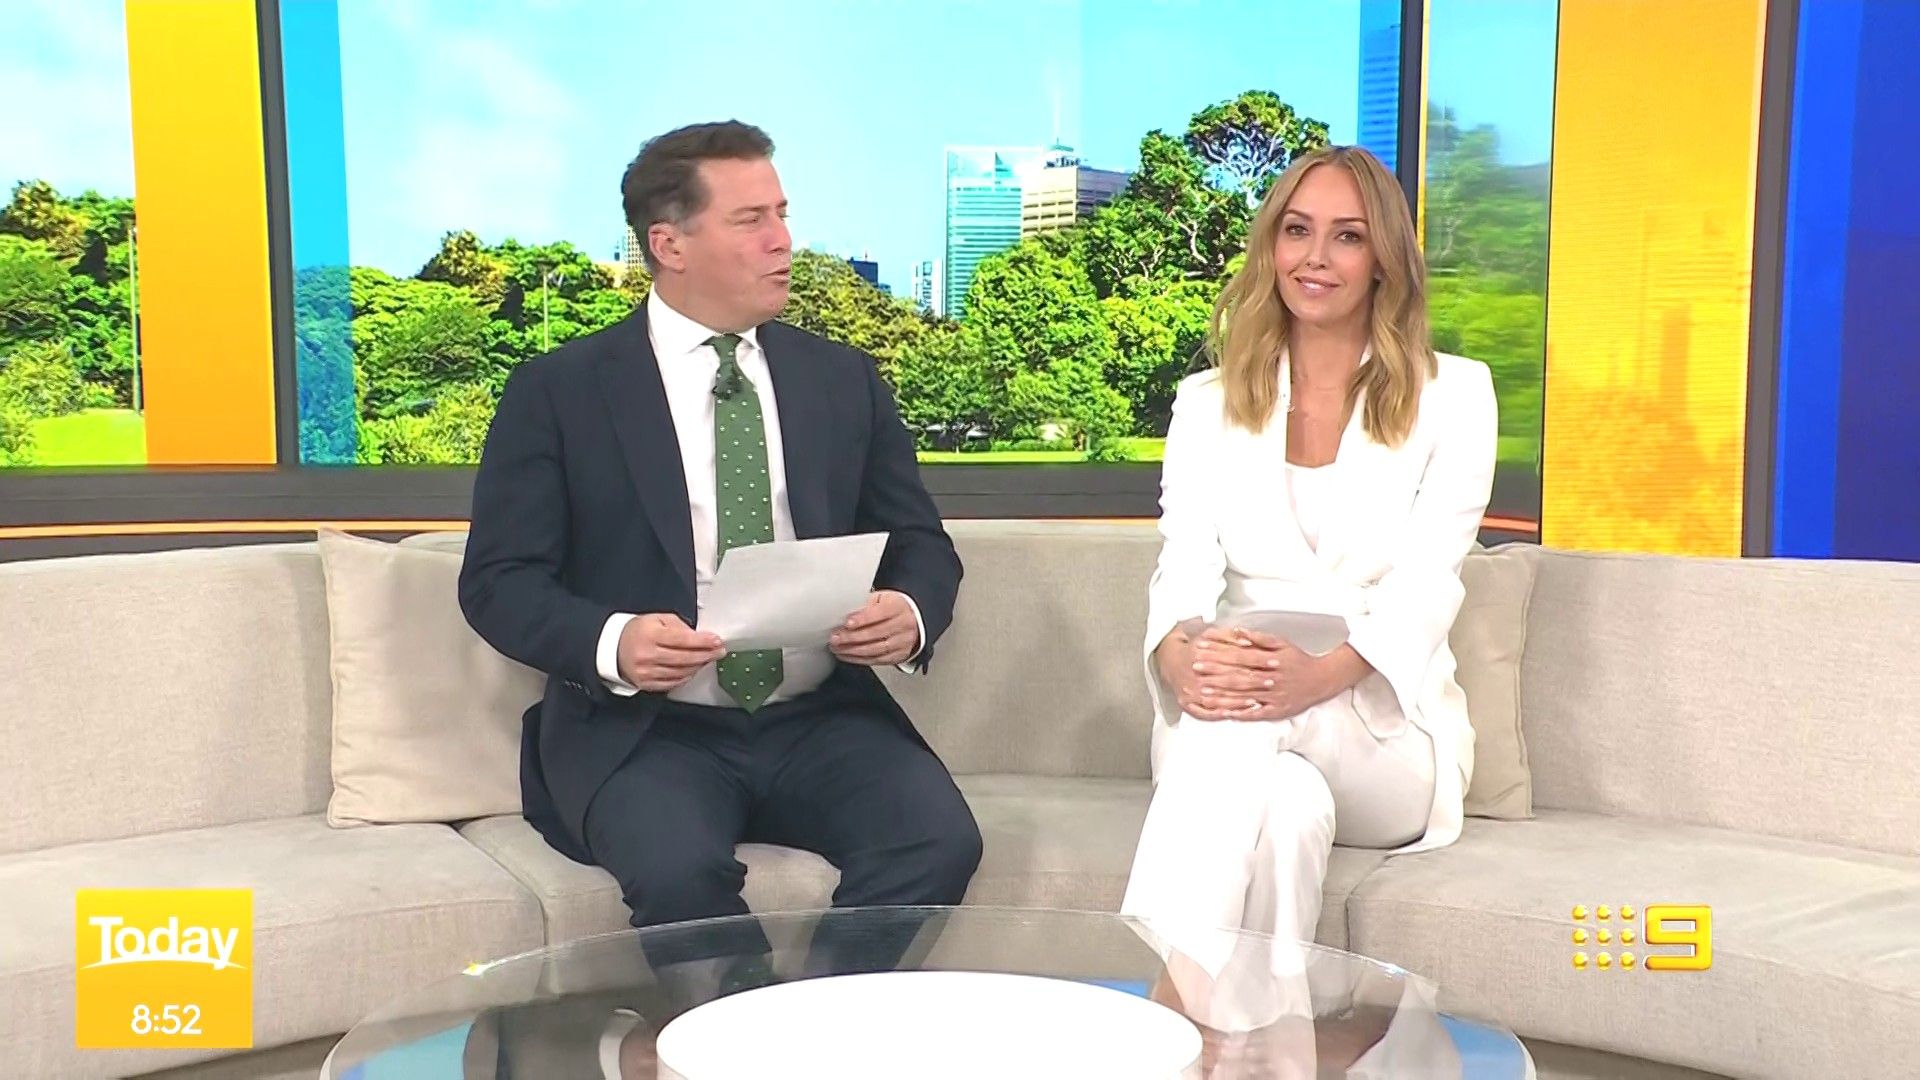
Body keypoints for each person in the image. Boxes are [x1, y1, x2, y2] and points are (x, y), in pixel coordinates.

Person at [457, 120, 982, 978]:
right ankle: (733, 1041)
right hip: (648, 730)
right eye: (750, 220)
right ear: (669, 244)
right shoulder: (559, 391)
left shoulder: (841, 378)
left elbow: (920, 542)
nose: (783, 241)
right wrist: (615, 640)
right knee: (677, 871)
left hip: (820, 717)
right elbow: (499, 582)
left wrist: (910, 612)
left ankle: (811, 1034)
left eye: (782, 214)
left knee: (938, 840)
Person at [1119, 145, 1498, 1006]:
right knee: (1283, 811)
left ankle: (1172, 999)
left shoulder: (1455, 396)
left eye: (1347, 236)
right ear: (1271, 246)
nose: (1315, 257)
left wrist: (1315, 677)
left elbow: (1429, 582)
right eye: (1297, 231)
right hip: (1235, 704)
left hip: (1383, 731)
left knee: (1239, 723)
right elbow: (1184, 563)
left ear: (1383, 260)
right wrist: (1181, 657)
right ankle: (1265, 1040)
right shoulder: (1207, 403)